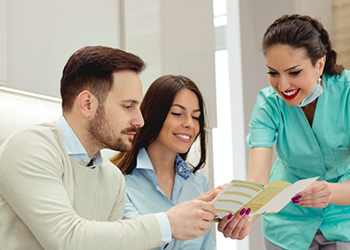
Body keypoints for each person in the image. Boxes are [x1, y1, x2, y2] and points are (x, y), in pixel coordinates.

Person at [0, 46, 219, 250]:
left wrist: (197, 216)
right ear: (87, 104)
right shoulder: (30, 148)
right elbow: (67, 239)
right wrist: (169, 223)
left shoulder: (112, 178)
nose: (140, 120)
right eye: (128, 106)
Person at [217, 14, 350, 249]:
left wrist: (330, 192)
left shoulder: (347, 95)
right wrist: (245, 214)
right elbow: (257, 179)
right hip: (287, 223)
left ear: (319, 64)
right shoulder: (268, 103)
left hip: (343, 219)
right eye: (273, 73)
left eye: (294, 72)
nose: (283, 86)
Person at [111, 75, 220, 250]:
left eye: (196, 117)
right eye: (178, 114)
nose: (190, 124)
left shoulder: (198, 181)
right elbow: (130, 244)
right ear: (153, 114)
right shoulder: (118, 181)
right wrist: (174, 225)